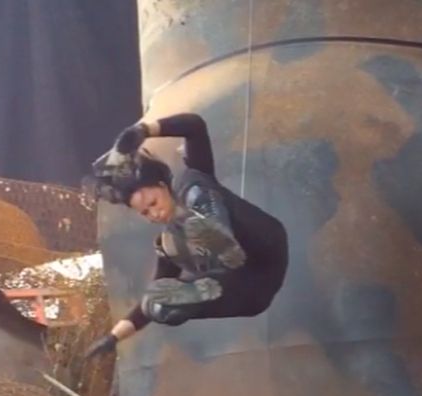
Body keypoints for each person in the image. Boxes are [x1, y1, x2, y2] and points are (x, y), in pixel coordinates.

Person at [83, 113, 288, 358]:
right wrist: (113, 337)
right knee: (157, 304)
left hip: (265, 248)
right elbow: (147, 304)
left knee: (194, 189)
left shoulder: (195, 177)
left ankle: (220, 240)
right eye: (145, 212)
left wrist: (144, 130)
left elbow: (195, 127)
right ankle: (209, 273)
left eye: (153, 203)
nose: (154, 213)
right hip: (250, 292)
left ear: (162, 186)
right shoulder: (169, 245)